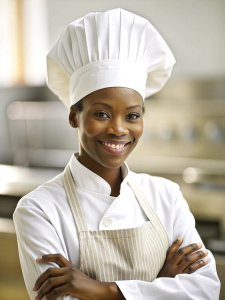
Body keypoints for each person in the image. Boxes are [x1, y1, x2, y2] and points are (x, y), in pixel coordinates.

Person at [13, 8, 220, 300]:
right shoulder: (39, 210)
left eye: (132, 116)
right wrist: (161, 283)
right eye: (101, 113)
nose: (118, 129)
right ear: (74, 116)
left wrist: (104, 290)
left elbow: (206, 290)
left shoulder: (166, 196)